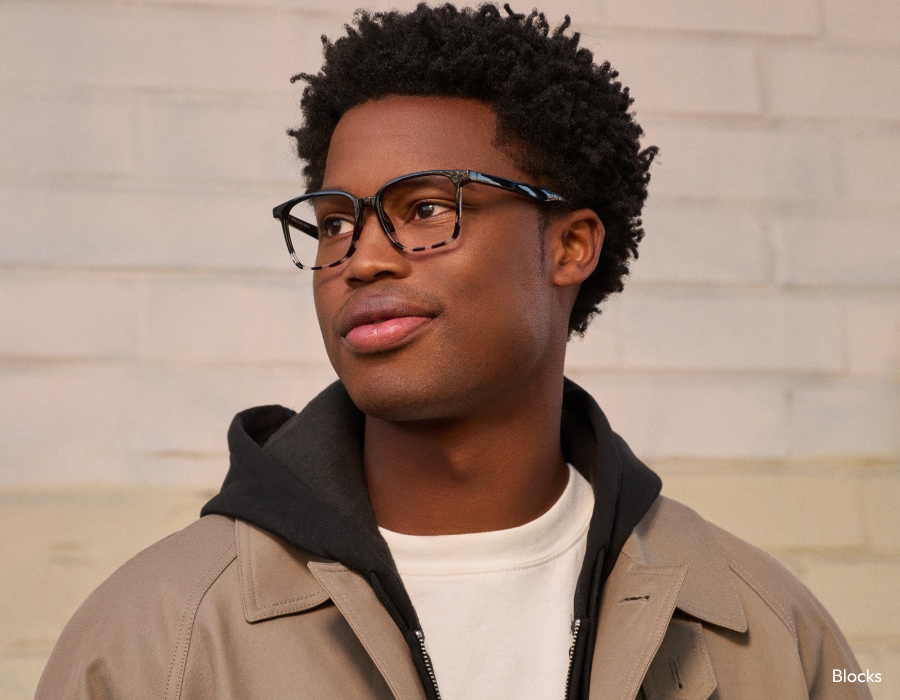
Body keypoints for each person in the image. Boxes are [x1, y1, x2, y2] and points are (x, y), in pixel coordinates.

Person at [36, 4, 870, 699]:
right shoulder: (154, 637)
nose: (361, 256)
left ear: (570, 247)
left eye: (428, 208)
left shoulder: (767, 632)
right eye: (334, 222)